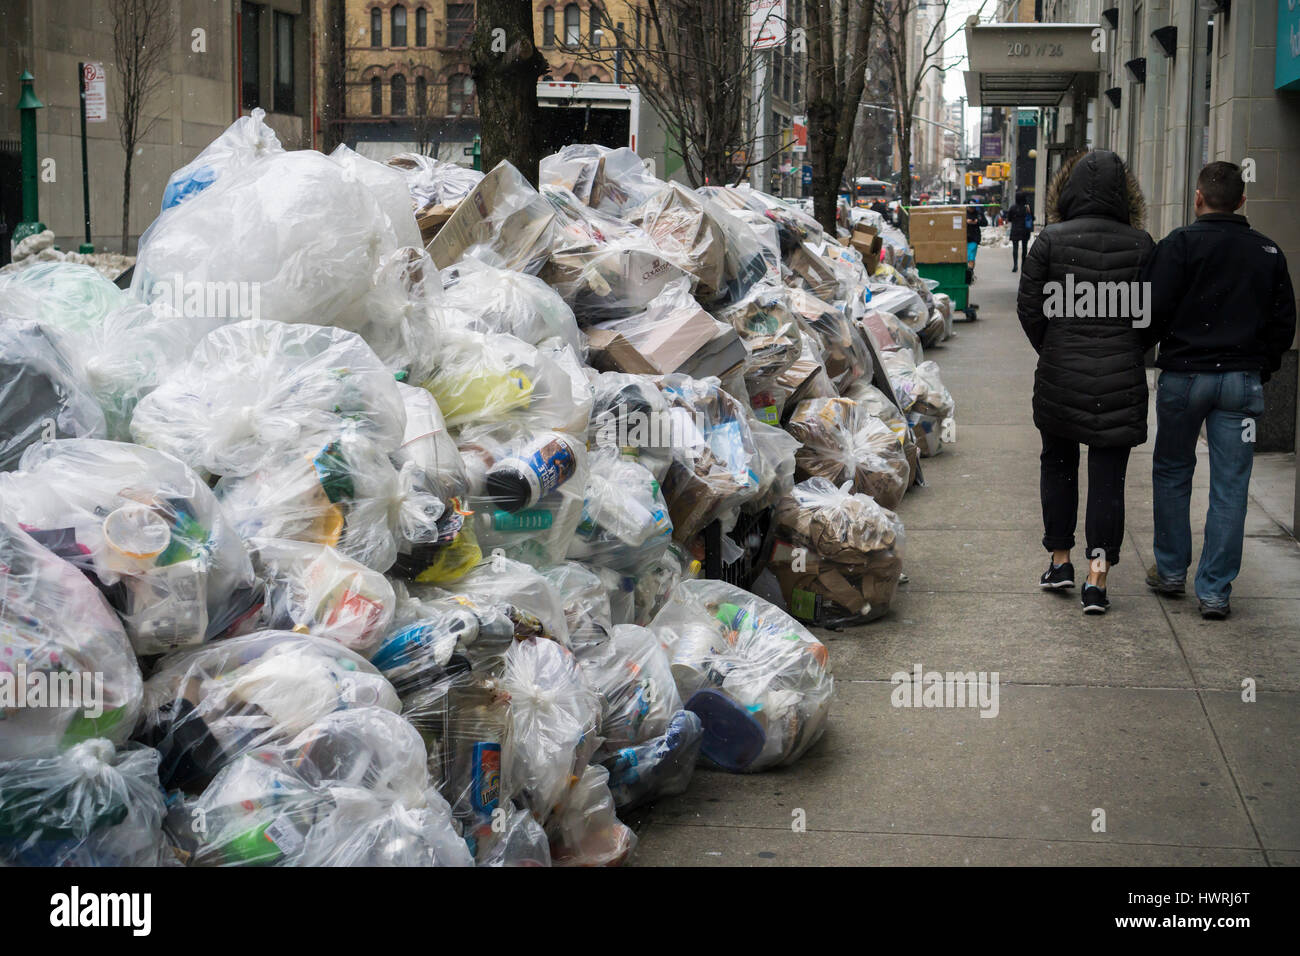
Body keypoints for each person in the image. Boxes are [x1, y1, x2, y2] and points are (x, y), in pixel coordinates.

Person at [1141, 161, 1297, 619]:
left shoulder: (1178, 246)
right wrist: (1260, 368)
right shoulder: (1267, 252)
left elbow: (1149, 311)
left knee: (1172, 472)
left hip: (1183, 378)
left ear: (1197, 198)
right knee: (1231, 485)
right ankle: (1214, 592)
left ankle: (1170, 571)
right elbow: (1283, 323)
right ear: (1243, 201)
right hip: (1240, 384)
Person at [1017, 150, 1155, 614]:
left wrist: (1054, 347)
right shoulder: (1142, 245)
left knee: (1058, 464)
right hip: (1120, 379)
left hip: (1060, 376)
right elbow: (1152, 317)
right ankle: (1097, 578)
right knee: (1108, 478)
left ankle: (1060, 561)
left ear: (1068, 189)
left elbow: (1030, 309)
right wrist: (1128, 348)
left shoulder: (1049, 241)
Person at [1008, 191, 1034, 273]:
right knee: (1024, 248)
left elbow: (1009, 218)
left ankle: (1015, 265)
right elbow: (1032, 218)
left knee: (1015, 248)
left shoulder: (1013, 208)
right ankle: (1023, 265)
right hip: (1025, 230)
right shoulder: (1027, 208)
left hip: (1015, 229)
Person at [965, 205, 986, 283]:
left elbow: (985, 222)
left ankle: (969, 274)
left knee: (971, 256)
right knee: (966, 257)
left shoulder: (979, 213)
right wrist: (966, 221)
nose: (972, 209)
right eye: (970, 207)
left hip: (974, 238)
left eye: (973, 207)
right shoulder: (963, 213)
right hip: (964, 238)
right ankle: (968, 272)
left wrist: (977, 221)